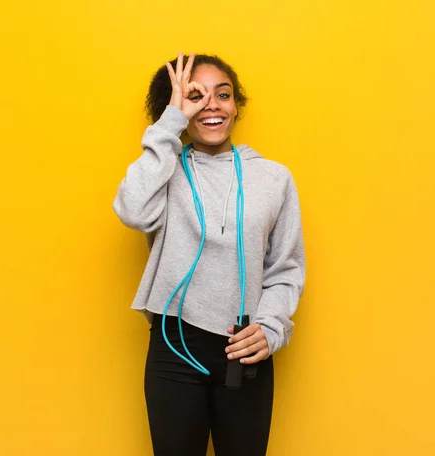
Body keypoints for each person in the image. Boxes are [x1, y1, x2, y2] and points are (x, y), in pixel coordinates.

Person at [113, 52, 306, 456]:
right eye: (196, 96)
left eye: (223, 94)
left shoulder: (274, 178)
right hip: (173, 344)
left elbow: (285, 268)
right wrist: (170, 123)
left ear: (237, 105)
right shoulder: (164, 170)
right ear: (177, 107)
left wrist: (271, 327)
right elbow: (131, 210)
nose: (213, 105)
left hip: (244, 347)